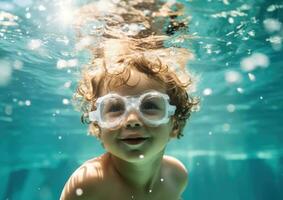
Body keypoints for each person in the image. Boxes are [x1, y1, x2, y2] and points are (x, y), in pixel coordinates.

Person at [60, 1, 200, 199]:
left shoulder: (176, 176)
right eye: (114, 107)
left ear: (175, 122)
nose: (132, 119)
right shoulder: (89, 184)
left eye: (150, 105)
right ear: (98, 126)